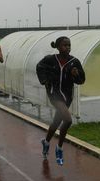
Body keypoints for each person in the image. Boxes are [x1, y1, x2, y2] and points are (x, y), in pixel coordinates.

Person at [38, 36, 85, 166]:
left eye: (69, 45)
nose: (67, 47)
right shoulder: (50, 59)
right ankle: (59, 148)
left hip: (67, 96)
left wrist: (76, 75)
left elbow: (81, 80)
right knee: (68, 120)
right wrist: (45, 80)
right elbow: (39, 67)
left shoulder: (74, 62)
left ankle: (46, 142)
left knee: (57, 121)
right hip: (54, 94)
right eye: (65, 45)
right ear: (58, 47)